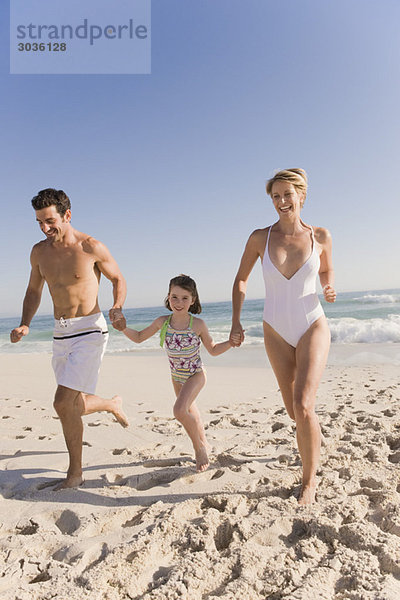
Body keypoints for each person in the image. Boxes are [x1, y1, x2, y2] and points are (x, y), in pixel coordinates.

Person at [10, 188, 129, 490]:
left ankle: (75, 474)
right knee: (72, 404)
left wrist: (116, 308)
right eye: (39, 222)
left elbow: (118, 278)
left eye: (50, 221)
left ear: (67, 215)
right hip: (60, 332)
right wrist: (25, 324)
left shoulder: (91, 246)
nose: (45, 228)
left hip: (90, 329)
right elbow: (34, 291)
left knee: (62, 403)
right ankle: (112, 402)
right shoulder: (39, 252)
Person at [230, 169, 336, 505]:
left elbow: (325, 269)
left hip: (312, 324)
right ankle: (313, 438)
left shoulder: (320, 236)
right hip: (274, 329)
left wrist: (329, 285)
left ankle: (308, 482)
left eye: (287, 195)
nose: (281, 202)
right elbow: (241, 280)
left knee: (304, 404)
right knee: (294, 411)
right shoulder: (260, 238)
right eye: (275, 196)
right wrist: (235, 321)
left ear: (301, 196)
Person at [112, 274, 236, 472]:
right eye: (174, 297)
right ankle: (204, 442)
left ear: (193, 300)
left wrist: (230, 342)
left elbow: (212, 350)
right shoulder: (163, 322)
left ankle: (200, 448)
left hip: (196, 374)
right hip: (176, 377)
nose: (179, 302)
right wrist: (123, 328)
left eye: (185, 298)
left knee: (179, 411)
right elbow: (138, 337)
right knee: (189, 412)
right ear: (168, 297)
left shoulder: (197, 325)